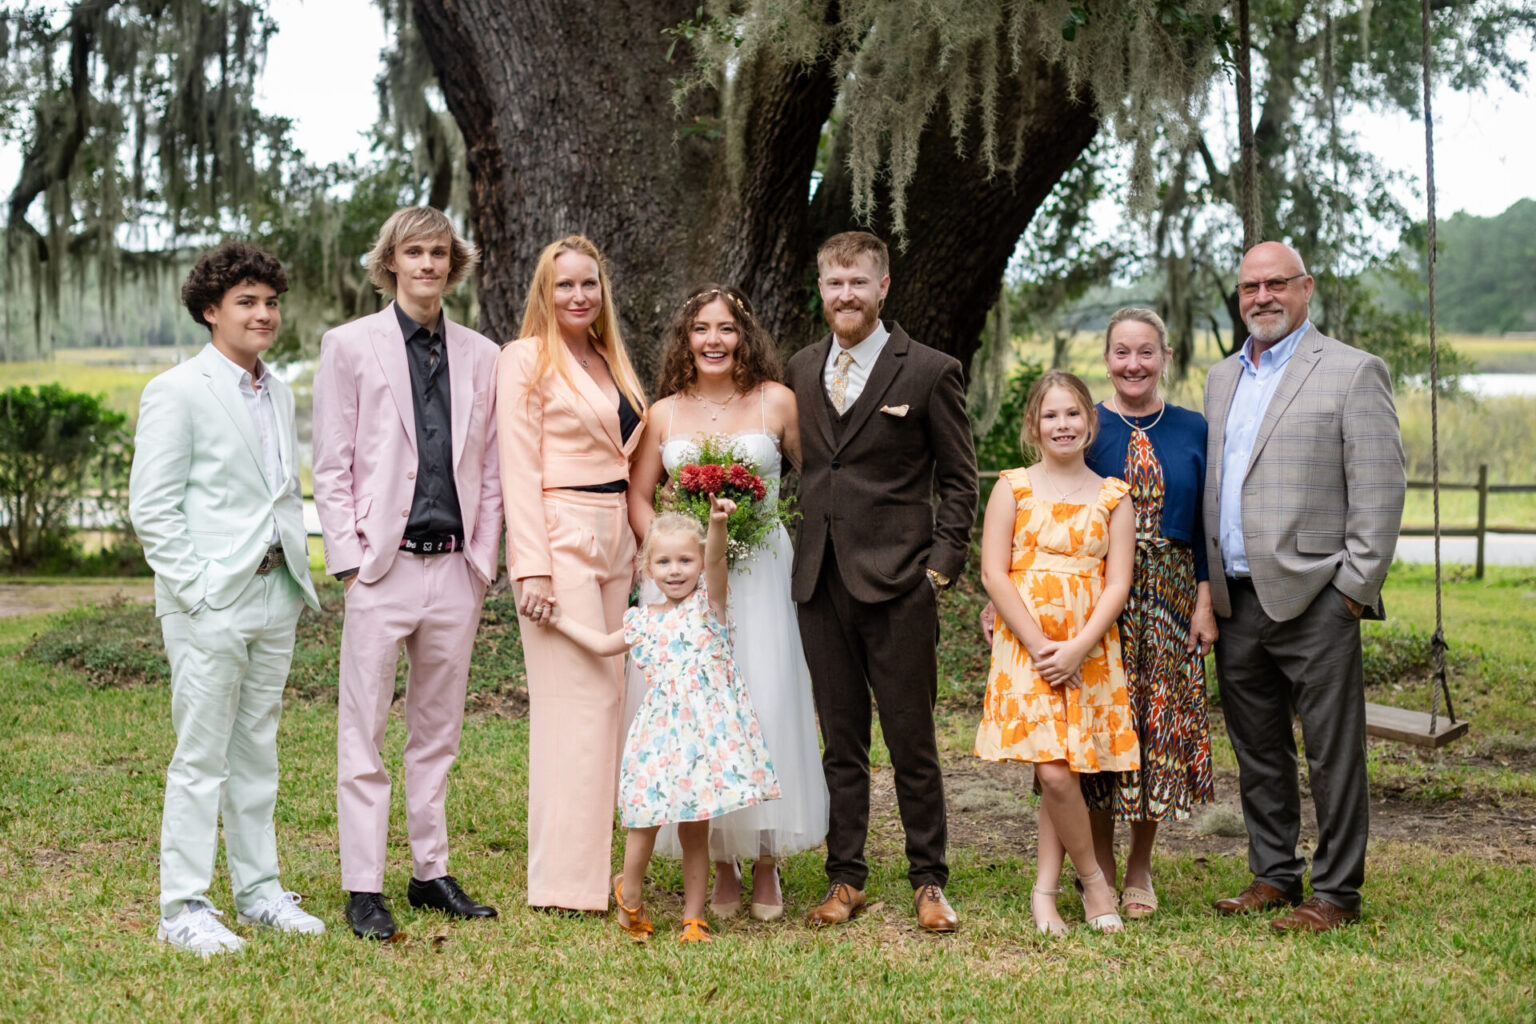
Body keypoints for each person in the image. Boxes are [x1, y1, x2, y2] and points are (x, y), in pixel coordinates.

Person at [313, 206, 504, 940]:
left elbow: (488, 467)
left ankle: (430, 872)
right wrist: (352, 561)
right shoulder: (348, 345)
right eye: (414, 252)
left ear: (453, 264)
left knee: (437, 732)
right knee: (362, 731)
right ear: (390, 261)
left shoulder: (483, 354)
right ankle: (363, 885)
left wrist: (483, 561)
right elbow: (331, 463)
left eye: (439, 253)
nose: (427, 264)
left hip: (455, 568)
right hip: (381, 571)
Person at [1204, 241, 1405, 932]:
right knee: (1258, 749)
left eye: (1276, 284)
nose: (1262, 296)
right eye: (1249, 286)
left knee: (1332, 754)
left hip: (1318, 597)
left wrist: (1351, 590)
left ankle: (1338, 894)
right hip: (1236, 599)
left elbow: (1380, 488)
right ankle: (1275, 875)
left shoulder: (1352, 372)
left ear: (1306, 288)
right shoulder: (1221, 378)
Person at [130, 241, 324, 954]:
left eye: (270, 301)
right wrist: (199, 589)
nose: (264, 313)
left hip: (277, 592)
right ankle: (181, 906)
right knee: (200, 756)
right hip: (211, 599)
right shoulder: (177, 390)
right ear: (211, 312)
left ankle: (259, 891)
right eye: (247, 301)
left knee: (258, 753)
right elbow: (152, 508)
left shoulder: (275, 387)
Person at [787, 231, 978, 933]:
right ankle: (847, 879)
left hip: (901, 584)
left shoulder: (929, 369)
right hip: (820, 582)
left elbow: (960, 481)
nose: (845, 295)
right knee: (841, 742)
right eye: (834, 283)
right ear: (822, 286)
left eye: (858, 283)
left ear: (882, 287)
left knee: (912, 743)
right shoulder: (802, 369)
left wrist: (939, 570)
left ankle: (929, 880)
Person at [627, 284, 828, 922]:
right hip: (684, 581)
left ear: (745, 337)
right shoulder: (662, 413)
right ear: (686, 339)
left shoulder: (779, 402)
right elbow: (639, 495)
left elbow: (820, 477)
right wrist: (666, 553)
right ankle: (718, 860)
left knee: (762, 699)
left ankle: (765, 856)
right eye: (701, 329)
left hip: (762, 570)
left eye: (727, 329)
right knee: (695, 715)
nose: (714, 340)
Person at [548, 497, 781, 943]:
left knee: (697, 829)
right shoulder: (640, 622)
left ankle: (694, 917)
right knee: (645, 822)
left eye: (685, 560)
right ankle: (629, 893)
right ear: (648, 568)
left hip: (704, 741)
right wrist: (559, 620)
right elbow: (600, 645)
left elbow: (716, 558)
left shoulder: (710, 607)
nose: (676, 570)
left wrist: (716, 524)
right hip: (658, 738)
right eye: (664, 561)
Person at [497, 235, 648, 913]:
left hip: (618, 534)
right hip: (559, 534)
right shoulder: (525, 358)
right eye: (564, 286)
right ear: (543, 293)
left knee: (613, 703)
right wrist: (531, 569)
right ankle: (564, 882)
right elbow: (517, 469)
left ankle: (602, 871)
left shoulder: (612, 358)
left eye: (589, 284)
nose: (578, 296)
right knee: (576, 706)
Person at [974, 370, 1137, 935]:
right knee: (1054, 773)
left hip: (1088, 648)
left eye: (1073, 414)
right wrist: (1041, 644)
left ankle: (1044, 893)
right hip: (1027, 647)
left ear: (1091, 422)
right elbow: (994, 572)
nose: (1062, 424)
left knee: (1064, 771)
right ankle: (1094, 881)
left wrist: (1077, 647)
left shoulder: (1114, 495)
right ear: (1033, 426)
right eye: (1051, 415)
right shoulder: (1012, 487)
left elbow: (1117, 584)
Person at [1078, 308, 1217, 920]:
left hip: (1170, 594)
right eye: (1121, 352)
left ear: (1164, 357)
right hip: (1097, 596)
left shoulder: (1193, 428)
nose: (1133, 364)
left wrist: (1206, 600)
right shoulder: (1084, 427)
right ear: (1106, 359)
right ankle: (1098, 867)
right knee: (1103, 727)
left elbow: (1213, 524)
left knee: (1154, 729)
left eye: (1146, 352)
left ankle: (1139, 866)